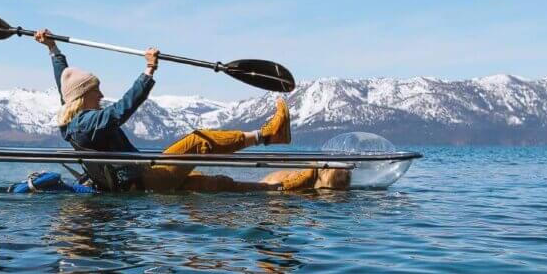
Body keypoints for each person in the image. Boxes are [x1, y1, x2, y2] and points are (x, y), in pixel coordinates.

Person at [37, 28, 332, 192]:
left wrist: (53, 50)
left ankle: (280, 191)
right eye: (95, 90)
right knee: (198, 141)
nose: (101, 93)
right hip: (142, 180)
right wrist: (148, 71)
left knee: (208, 184)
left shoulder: (72, 117)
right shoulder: (88, 123)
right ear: (83, 97)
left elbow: (65, 84)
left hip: (142, 176)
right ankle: (269, 135)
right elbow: (120, 111)